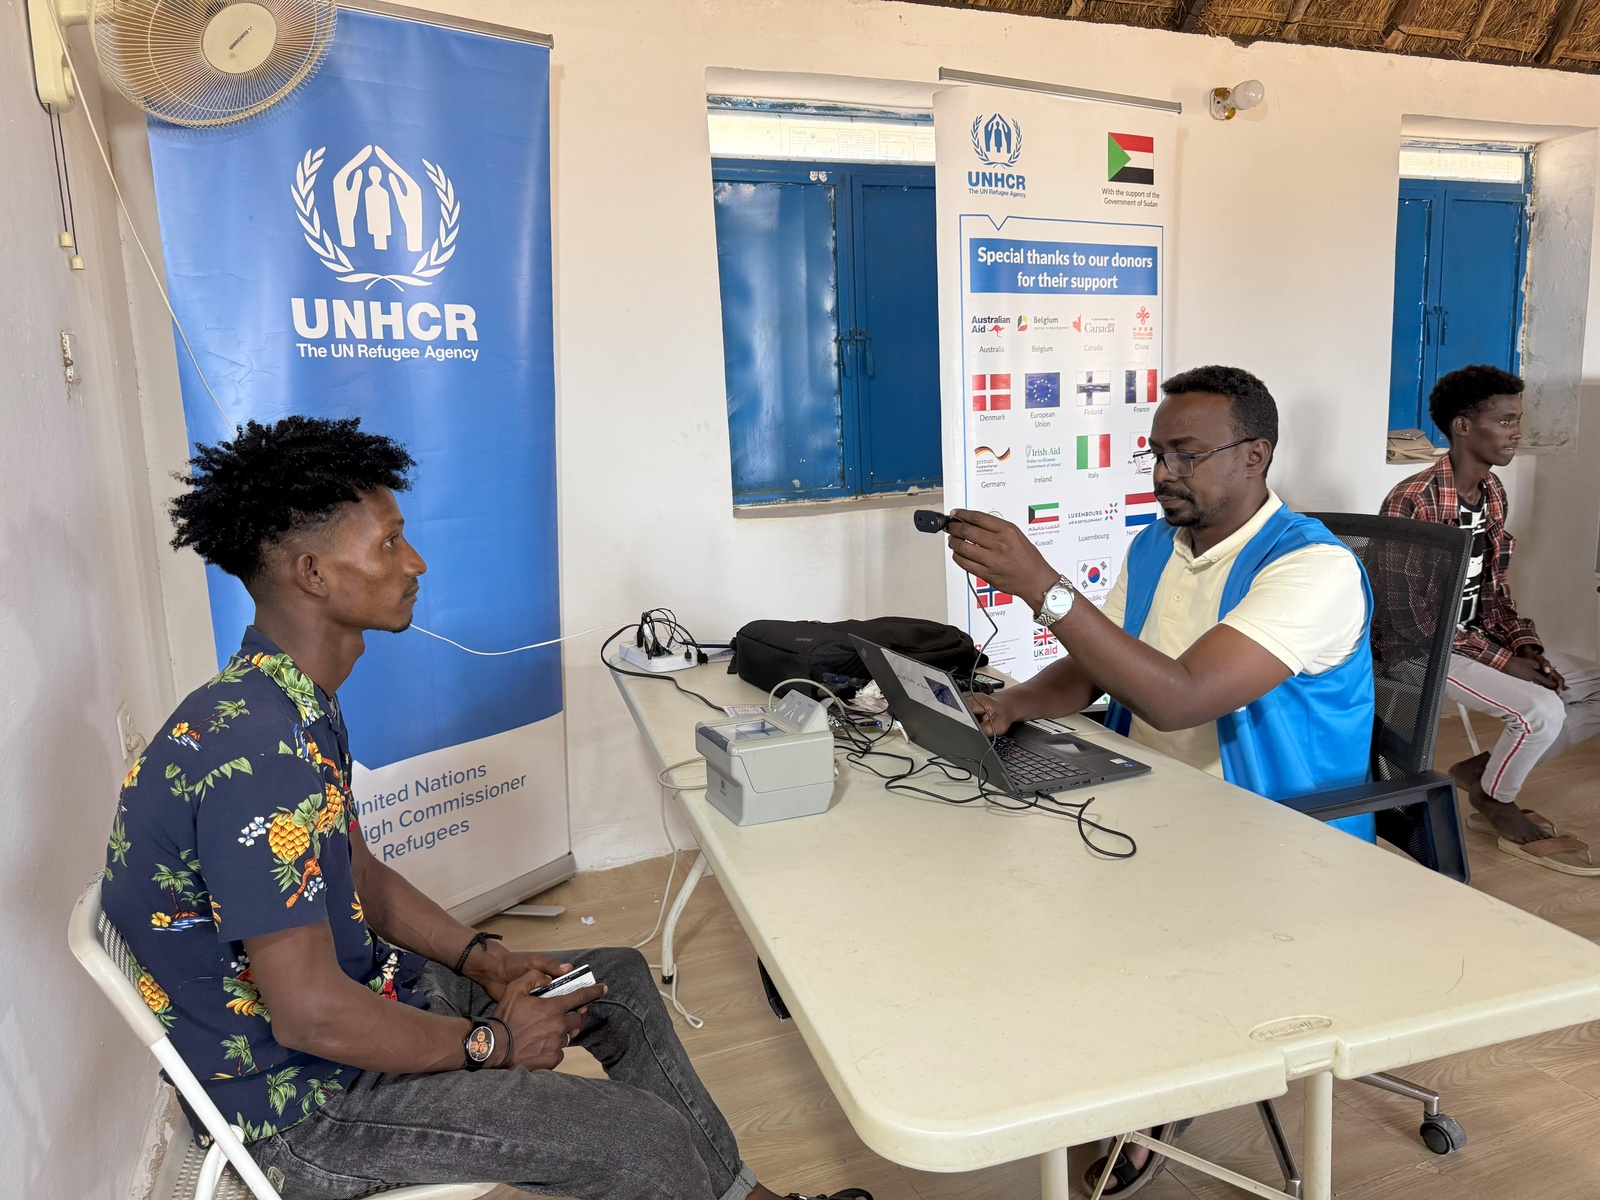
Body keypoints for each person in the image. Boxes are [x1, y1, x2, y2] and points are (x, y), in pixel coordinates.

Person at [101, 416, 870, 1200]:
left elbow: (359, 875)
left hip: (369, 1007)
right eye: (389, 543)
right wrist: (490, 1042)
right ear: (314, 573)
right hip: (305, 1109)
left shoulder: (289, 704)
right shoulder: (257, 756)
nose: (415, 562)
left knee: (616, 985)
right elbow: (309, 1019)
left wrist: (484, 959)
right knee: (643, 1144)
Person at [945, 365, 1375, 1195]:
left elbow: (1178, 700)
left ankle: (1149, 1096)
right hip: (1154, 798)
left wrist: (1041, 585)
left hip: (1273, 834)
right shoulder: (1159, 545)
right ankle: (1095, 1063)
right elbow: (1105, 666)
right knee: (994, 867)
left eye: (1185, 454)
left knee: (1078, 914)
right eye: (1155, 454)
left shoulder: (1309, 569)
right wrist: (1013, 704)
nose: (1162, 473)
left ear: (1255, 456)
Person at [1381, 365, 1600, 876]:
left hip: (1475, 641)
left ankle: (1484, 775)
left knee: (1590, 687)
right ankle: (1497, 801)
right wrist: (1505, 662)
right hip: (1419, 652)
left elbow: (1495, 589)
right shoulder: (1412, 500)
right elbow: (1407, 620)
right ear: (1462, 426)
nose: (1516, 432)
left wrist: (1525, 648)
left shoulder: (1493, 492)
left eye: (1517, 420)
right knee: (1541, 711)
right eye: (1504, 421)